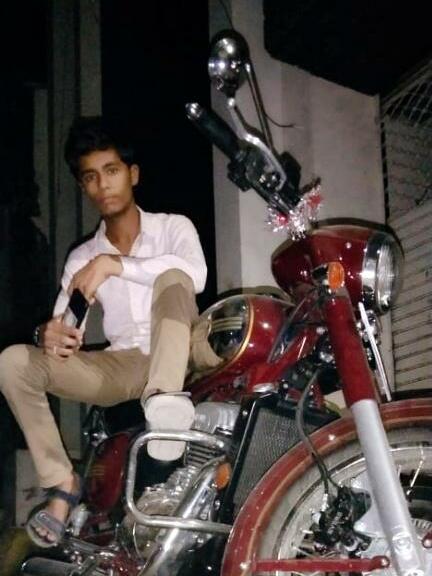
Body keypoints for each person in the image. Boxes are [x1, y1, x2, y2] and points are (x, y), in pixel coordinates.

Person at [0, 116, 208, 548]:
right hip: (125, 364)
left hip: (184, 349)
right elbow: (65, 327)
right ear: (84, 187)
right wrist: (48, 336)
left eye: (111, 171)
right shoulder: (82, 258)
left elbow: (196, 275)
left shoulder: (173, 227)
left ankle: (165, 408)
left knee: (174, 277)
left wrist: (116, 265)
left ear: (133, 174)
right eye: (91, 177)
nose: (103, 185)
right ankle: (62, 484)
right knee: (13, 363)